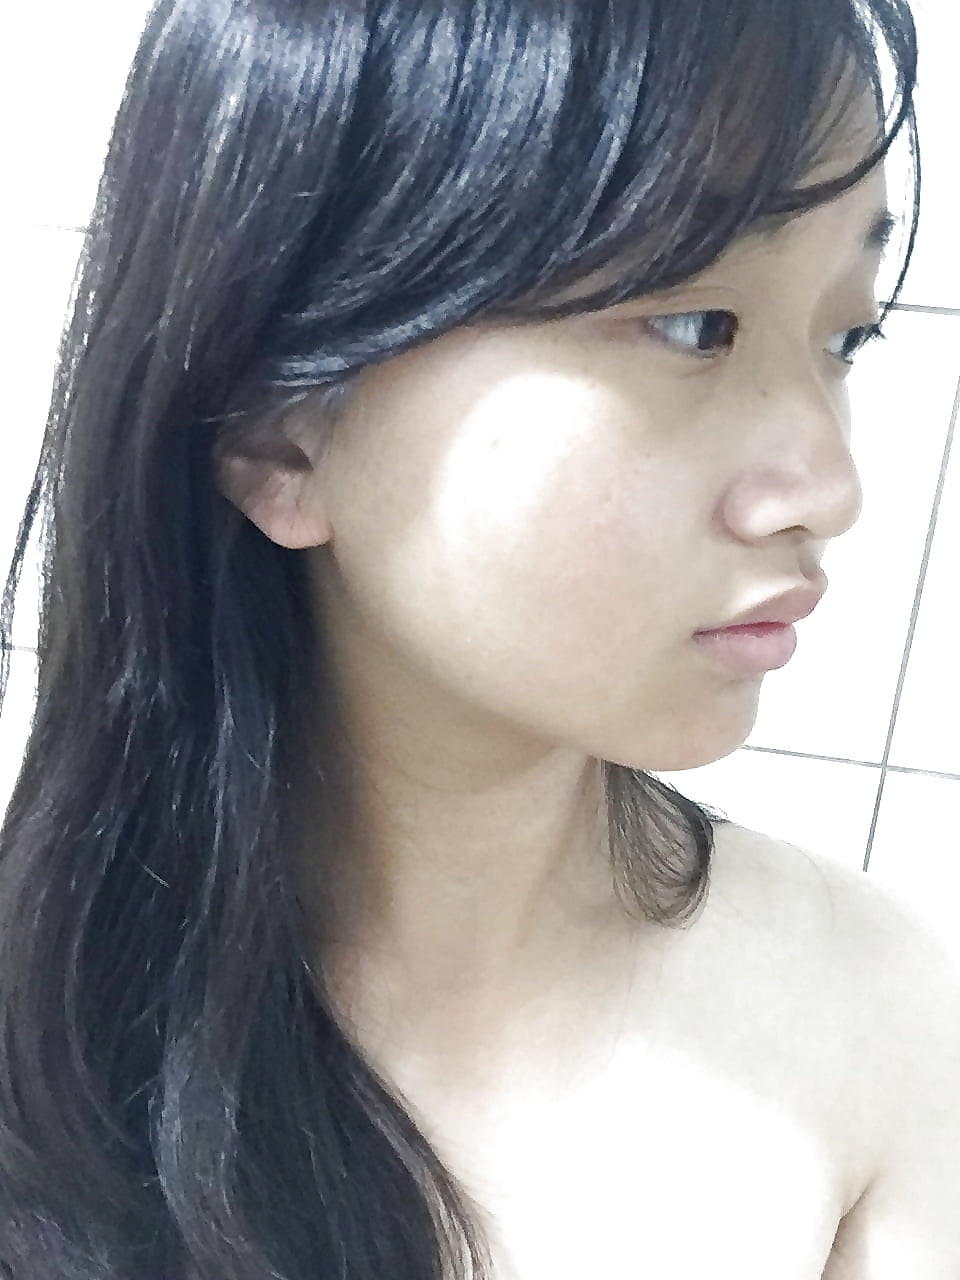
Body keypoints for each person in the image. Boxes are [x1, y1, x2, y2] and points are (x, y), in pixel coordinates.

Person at [1, 0, 958, 1276]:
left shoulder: (877, 1020)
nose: (826, 488)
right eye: (695, 325)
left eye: (844, 337)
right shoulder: (42, 1039)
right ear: (282, 428)